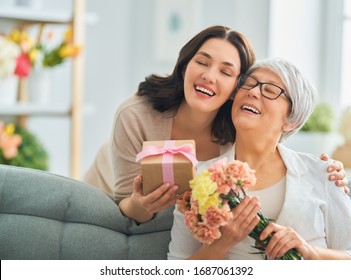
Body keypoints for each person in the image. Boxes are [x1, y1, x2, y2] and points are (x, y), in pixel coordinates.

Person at [83, 25, 348, 223]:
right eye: (202, 62)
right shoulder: (136, 114)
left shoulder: (238, 124)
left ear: (236, 86)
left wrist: (323, 173)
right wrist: (141, 205)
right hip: (110, 192)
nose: (209, 76)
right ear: (185, 65)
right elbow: (125, 207)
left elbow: (274, 151)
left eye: (226, 71)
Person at [167, 57, 351, 260]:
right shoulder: (199, 178)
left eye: (271, 90)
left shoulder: (323, 173)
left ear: (292, 120)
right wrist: (221, 244)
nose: (252, 91)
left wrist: (311, 253)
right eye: (248, 83)